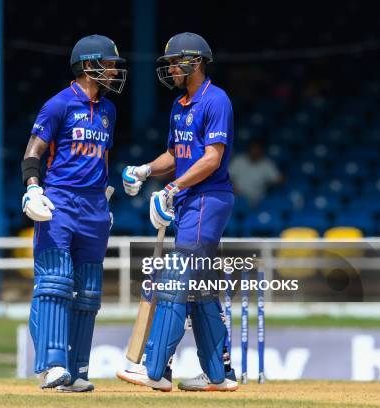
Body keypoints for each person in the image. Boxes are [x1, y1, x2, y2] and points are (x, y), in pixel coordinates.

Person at [117, 32, 238, 391]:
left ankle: (155, 371)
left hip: (207, 199)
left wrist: (171, 188)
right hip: (189, 201)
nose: (170, 68)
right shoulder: (180, 105)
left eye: (175, 61)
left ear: (195, 62)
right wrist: (146, 171)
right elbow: (176, 154)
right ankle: (219, 374)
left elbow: (212, 158)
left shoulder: (216, 100)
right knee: (200, 287)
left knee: (175, 279)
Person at [21, 34, 126, 392]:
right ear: (88, 66)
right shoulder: (59, 105)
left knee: (89, 292)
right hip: (61, 202)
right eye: (109, 65)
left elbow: (103, 159)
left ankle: (77, 369)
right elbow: (33, 152)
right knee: (55, 282)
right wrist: (33, 188)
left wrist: (105, 197)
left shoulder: (109, 111)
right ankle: (51, 366)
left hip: (94, 206)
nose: (114, 71)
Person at [230, 138, 283, 207]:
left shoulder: (267, 163)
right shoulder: (239, 160)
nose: (255, 151)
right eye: (254, 149)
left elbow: (279, 179)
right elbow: (227, 176)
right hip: (238, 197)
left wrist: (269, 182)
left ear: (262, 151)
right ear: (249, 149)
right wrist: (233, 186)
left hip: (258, 200)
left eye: (258, 149)